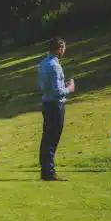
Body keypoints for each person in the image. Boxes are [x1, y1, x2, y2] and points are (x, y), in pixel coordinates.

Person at [36, 36, 75, 182]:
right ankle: (49, 172)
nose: (64, 51)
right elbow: (58, 91)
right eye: (63, 48)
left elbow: (45, 85)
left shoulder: (42, 64)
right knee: (52, 138)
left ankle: (45, 170)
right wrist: (69, 88)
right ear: (59, 49)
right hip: (55, 105)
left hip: (46, 103)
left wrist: (61, 85)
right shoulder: (55, 66)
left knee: (47, 138)